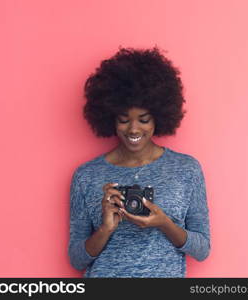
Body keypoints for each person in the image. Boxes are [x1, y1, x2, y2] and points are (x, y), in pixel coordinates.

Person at [68, 46, 210, 277]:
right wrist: (106, 229)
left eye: (143, 120)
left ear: (159, 116)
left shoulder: (186, 170)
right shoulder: (87, 175)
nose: (133, 129)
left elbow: (202, 249)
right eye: (124, 120)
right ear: (110, 118)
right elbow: (76, 259)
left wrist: (165, 223)